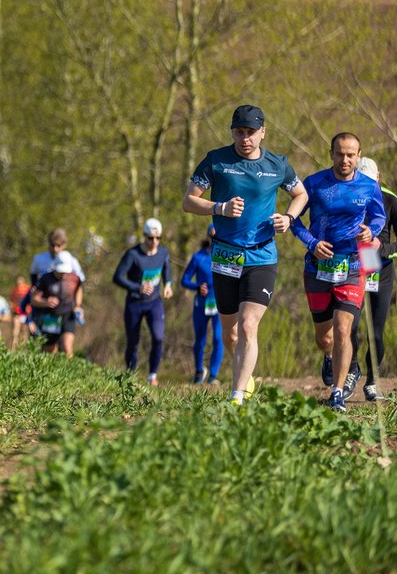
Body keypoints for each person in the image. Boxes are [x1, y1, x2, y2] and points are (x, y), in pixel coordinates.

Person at [182, 104, 307, 405]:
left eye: (251, 132)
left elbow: (301, 194)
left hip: (262, 256)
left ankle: (236, 398)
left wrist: (288, 218)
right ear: (232, 132)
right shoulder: (216, 161)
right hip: (226, 255)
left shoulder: (278, 165)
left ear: (263, 132)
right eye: (239, 132)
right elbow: (188, 202)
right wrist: (219, 208)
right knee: (231, 334)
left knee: (249, 325)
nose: (245, 138)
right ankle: (244, 377)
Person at [289, 133, 386, 411]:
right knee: (326, 337)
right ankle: (329, 355)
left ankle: (338, 392)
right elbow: (293, 220)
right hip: (317, 266)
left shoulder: (369, 186)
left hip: (353, 266)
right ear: (331, 153)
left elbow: (379, 217)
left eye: (351, 155)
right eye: (340, 154)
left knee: (344, 329)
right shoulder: (314, 183)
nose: (345, 160)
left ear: (358, 156)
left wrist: (371, 231)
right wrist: (312, 243)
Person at [352, 157, 397, 401]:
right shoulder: (347, 196)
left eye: (371, 181)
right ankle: (351, 370)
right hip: (352, 268)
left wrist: (383, 249)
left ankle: (372, 381)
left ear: (378, 177)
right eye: (362, 181)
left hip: (381, 270)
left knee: (375, 332)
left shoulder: (390, 200)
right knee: (349, 327)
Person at [112, 218, 174, 386]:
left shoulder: (163, 252)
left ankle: (152, 375)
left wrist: (168, 284)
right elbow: (117, 277)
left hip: (154, 302)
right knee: (133, 341)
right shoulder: (133, 255)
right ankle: (130, 374)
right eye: (150, 238)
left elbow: (166, 267)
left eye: (158, 238)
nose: (154, 242)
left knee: (158, 337)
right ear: (144, 236)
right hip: (135, 303)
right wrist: (137, 287)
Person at [181, 223, 223, 385]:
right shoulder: (198, 258)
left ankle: (213, 375)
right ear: (208, 237)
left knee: (218, 337)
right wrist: (197, 287)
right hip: (202, 303)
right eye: (212, 237)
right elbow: (184, 280)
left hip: (219, 302)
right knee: (200, 338)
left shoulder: (226, 255)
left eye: (218, 237)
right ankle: (199, 370)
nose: (215, 240)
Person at [30, 252, 83, 356]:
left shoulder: (75, 278)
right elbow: (34, 300)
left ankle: (70, 366)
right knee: (49, 349)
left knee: (67, 345)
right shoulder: (45, 279)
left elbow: (79, 290)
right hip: (50, 316)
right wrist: (45, 302)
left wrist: (78, 306)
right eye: (61, 271)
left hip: (67, 315)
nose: (63, 274)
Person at [8, 275, 32, 348]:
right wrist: (11, 307)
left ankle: (22, 348)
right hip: (17, 313)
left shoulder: (28, 289)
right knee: (15, 331)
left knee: (24, 331)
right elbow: (11, 301)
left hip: (26, 313)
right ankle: (13, 347)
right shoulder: (14, 290)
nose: (19, 283)